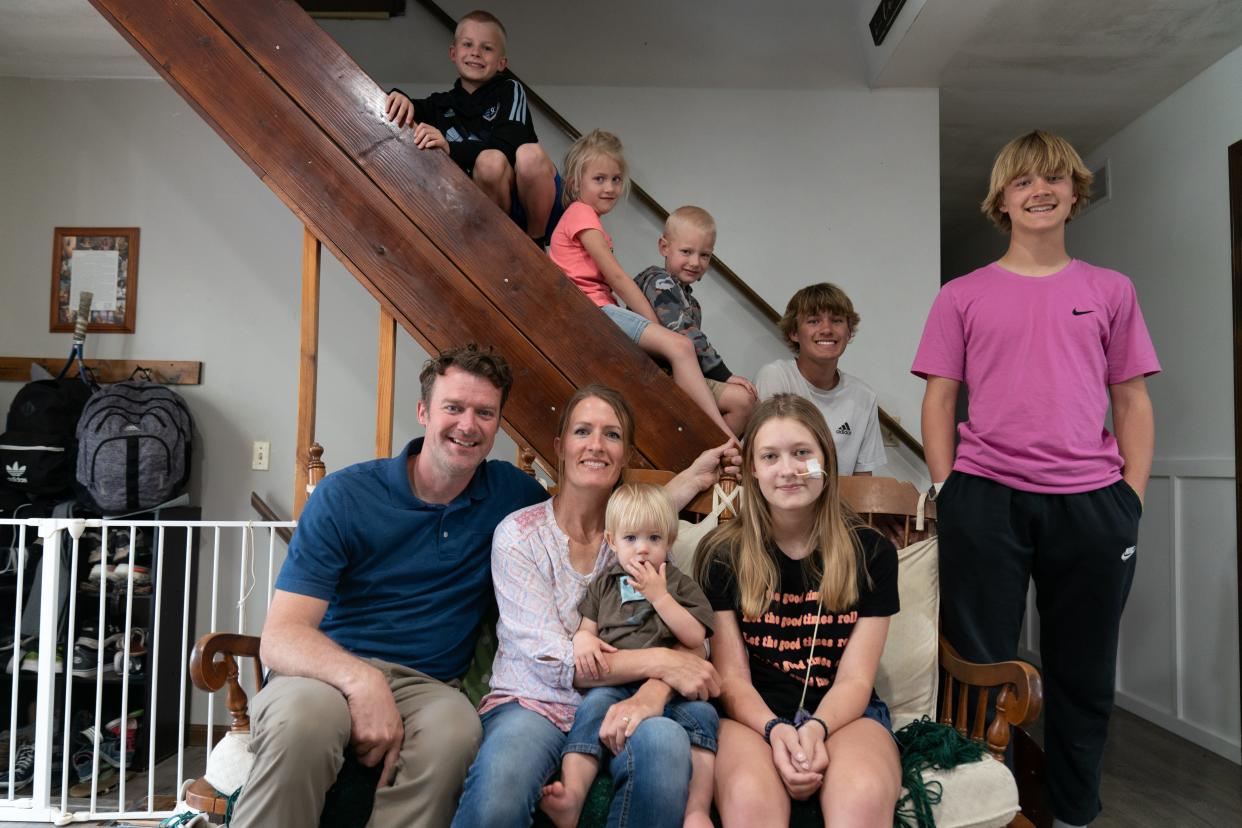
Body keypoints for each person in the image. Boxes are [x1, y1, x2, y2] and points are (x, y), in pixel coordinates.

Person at [912, 130, 1159, 828]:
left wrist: (1129, 498)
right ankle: (984, 814)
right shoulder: (961, 295)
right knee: (979, 673)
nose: (1040, 190)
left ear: (1075, 192)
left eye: (1054, 178)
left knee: (1081, 678)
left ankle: (1075, 814)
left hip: (1093, 505)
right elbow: (939, 396)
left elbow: (1133, 399)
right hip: (984, 499)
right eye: (1024, 181)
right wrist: (948, 489)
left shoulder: (1111, 290)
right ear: (1002, 200)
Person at [229, 345, 548, 828]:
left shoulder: (513, 496)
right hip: (322, 672)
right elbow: (281, 637)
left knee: (456, 733)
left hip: (430, 686)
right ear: (423, 411)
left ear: (498, 424)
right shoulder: (346, 495)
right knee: (304, 725)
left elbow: (594, 523)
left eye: (485, 413)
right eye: (453, 407)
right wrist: (362, 680)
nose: (468, 424)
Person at [451, 384, 738, 828]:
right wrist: (661, 661)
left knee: (663, 747)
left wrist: (651, 692)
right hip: (534, 702)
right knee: (498, 796)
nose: (596, 445)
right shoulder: (519, 536)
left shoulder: (643, 541)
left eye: (612, 435)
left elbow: (689, 644)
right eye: (583, 431)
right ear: (560, 446)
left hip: (625, 699)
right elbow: (552, 660)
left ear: (625, 455)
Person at [694, 394, 901, 826]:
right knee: (751, 801)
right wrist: (775, 729)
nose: (787, 469)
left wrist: (816, 728)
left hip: (844, 714)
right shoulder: (721, 554)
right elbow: (731, 677)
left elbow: (857, 677)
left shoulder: (872, 552)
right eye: (770, 456)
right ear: (752, 469)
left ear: (826, 458)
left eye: (802, 453)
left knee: (862, 797)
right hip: (752, 717)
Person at [539, 482, 718, 828]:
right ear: (611, 541)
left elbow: (696, 636)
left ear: (670, 541)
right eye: (631, 539)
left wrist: (660, 597)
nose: (643, 550)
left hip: (671, 686)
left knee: (704, 718)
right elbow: (587, 629)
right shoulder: (604, 584)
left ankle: (697, 809)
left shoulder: (679, 584)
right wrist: (583, 642)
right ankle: (573, 795)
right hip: (616, 683)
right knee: (590, 710)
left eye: (654, 539)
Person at [549, 130, 738, 441]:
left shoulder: (585, 217)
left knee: (676, 350)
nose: (610, 187)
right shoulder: (581, 214)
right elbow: (617, 278)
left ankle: (711, 433)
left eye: (615, 179)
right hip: (591, 311)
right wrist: (653, 324)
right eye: (599, 179)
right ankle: (720, 436)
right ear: (574, 182)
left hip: (599, 308)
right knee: (680, 346)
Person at [384, 10, 560, 244]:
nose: (476, 53)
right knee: (485, 164)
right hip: (485, 208)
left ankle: (535, 245)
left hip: (528, 202)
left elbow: (508, 145)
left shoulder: (510, 90)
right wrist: (398, 94)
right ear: (453, 53)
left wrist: (451, 148)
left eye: (487, 48)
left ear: (501, 63)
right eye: (468, 45)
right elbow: (406, 108)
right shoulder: (441, 103)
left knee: (520, 155)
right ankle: (495, 244)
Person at [634, 206, 758, 436]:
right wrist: (725, 375)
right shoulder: (659, 283)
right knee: (743, 401)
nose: (695, 262)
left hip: (677, 376)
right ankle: (718, 456)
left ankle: (710, 454)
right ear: (664, 247)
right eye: (686, 251)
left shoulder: (691, 301)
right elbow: (685, 333)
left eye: (704, 255)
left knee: (748, 402)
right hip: (655, 376)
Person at [755, 284, 886, 476]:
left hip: (840, 504)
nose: (826, 329)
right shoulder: (775, 377)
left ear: (849, 333)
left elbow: (863, 480)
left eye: (837, 321)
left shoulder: (864, 397)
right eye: (814, 321)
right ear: (794, 333)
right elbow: (764, 459)